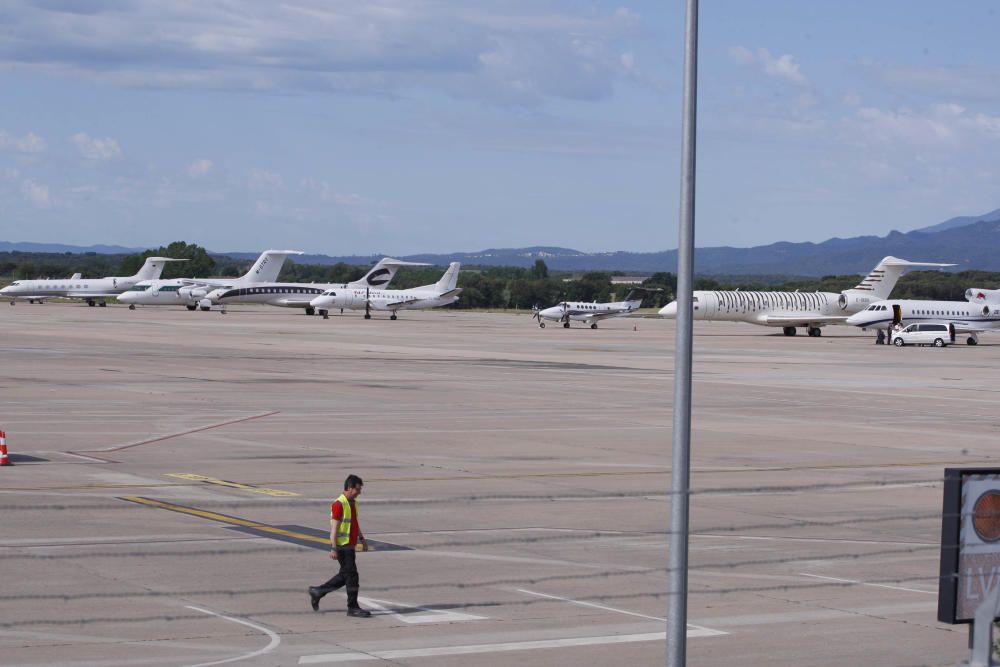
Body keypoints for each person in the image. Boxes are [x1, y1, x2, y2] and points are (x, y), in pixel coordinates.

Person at [308, 474, 371, 617]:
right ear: (349, 488)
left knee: (346, 575)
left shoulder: (352, 502)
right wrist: (333, 548)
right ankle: (352, 607)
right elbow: (334, 529)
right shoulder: (339, 504)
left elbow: (354, 523)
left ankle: (318, 591)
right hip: (342, 547)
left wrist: (362, 538)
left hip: (350, 545)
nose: (359, 492)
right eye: (357, 489)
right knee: (352, 576)